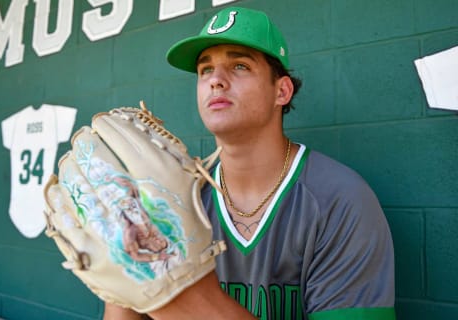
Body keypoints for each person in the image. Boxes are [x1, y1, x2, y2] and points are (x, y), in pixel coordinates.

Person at [104, 6, 396, 320]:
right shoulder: (174, 201)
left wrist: (179, 300)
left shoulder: (339, 199)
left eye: (240, 65)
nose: (216, 80)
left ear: (281, 91)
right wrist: (123, 262)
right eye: (205, 70)